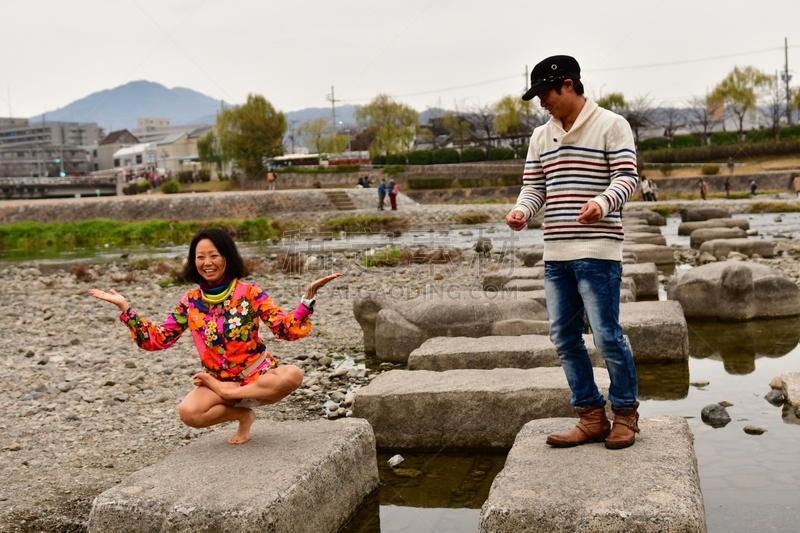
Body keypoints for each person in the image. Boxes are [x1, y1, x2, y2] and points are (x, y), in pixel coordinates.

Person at [89, 228, 342, 445]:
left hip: (258, 377)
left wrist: (306, 300)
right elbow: (159, 339)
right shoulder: (191, 302)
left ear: (226, 258)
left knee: (293, 375)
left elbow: (283, 329)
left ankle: (232, 395)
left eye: (213, 255)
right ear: (193, 262)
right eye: (200, 257)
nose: (206, 262)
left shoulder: (250, 292)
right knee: (189, 413)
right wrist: (125, 309)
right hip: (219, 382)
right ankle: (243, 415)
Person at [506, 55, 640, 450]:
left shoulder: (611, 125)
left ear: (567, 84)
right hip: (556, 252)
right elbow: (535, 187)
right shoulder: (539, 136)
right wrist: (522, 210)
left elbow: (627, 178)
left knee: (607, 336)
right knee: (564, 337)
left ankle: (626, 416)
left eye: (545, 93)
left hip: (598, 249)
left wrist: (602, 202)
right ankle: (591, 416)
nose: (541, 102)